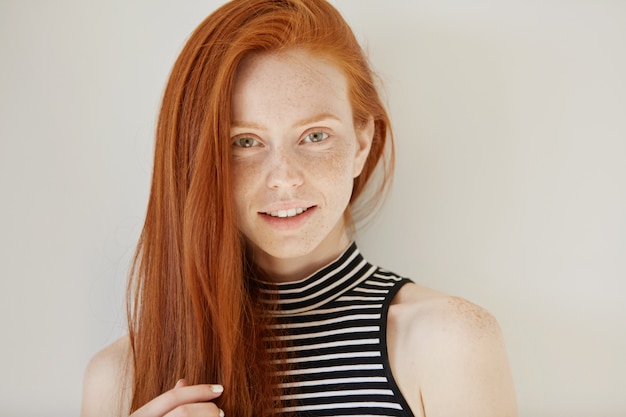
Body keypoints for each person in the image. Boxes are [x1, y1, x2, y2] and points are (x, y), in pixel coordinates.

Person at [81, 0, 517, 416]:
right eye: (244, 142)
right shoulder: (119, 378)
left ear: (362, 144)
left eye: (314, 135)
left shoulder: (448, 342)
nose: (284, 177)